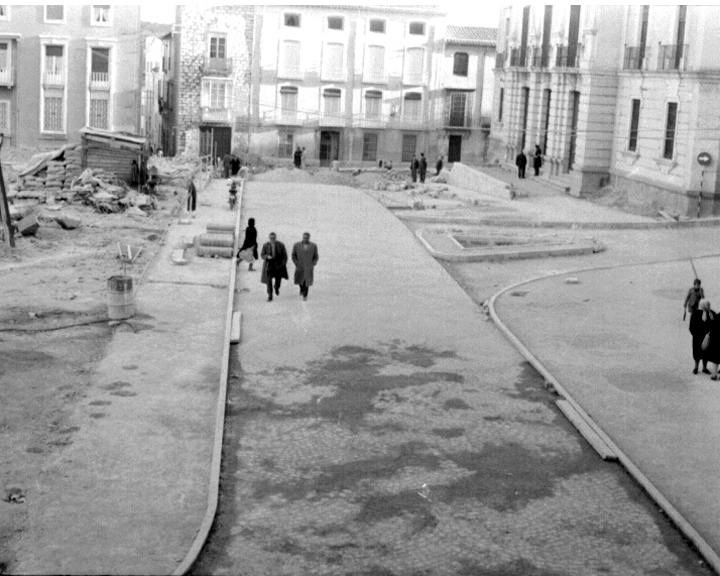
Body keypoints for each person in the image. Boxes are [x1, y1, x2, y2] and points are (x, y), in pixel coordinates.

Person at [260, 232, 288, 302]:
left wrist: (282, 264)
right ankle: (270, 296)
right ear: (269, 238)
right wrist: (266, 257)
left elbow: (285, 256)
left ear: (275, 238)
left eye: (274, 238)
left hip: (278, 266)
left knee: (278, 280)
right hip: (269, 266)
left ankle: (276, 287)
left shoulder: (281, 245)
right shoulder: (265, 245)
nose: (272, 239)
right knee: (268, 281)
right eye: (271, 238)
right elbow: (262, 254)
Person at [291, 232, 319, 301]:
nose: (305, 239)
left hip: (308, 266)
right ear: (302, 237)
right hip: (300, 266)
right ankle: (301, 289)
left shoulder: (313, 246)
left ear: (309, 238)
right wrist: (296, 263)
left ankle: (305, 295)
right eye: (304, 238)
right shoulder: (296, 245)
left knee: (307, 281)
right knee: (300, 280)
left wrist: (313, 264)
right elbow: (293, 255)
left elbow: (316, 256)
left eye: (307, 238)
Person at [690, 299, 712, 375]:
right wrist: (695, 334)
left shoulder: (711, 313)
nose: (709, 306)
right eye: (707, 304)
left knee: (706, 353)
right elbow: (691, 326)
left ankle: (704, 368)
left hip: (707, 337)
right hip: (697, 338)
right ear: (703, 305)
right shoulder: (696, 313)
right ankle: (696, 367)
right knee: (697, 353)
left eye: (709, 304)